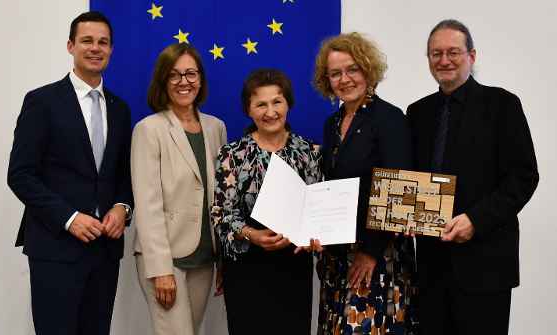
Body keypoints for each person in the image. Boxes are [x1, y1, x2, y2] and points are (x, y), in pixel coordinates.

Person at [406, 19, 539, 335]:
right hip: (431, 265)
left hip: (485, 263)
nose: (444, 60)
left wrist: (476, 220)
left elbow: (523, 177)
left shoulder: (503, 105)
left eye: (453, 52)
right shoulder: (417, 112)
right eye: (435, 54)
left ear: (472, 56)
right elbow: (410, 179)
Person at [7, 11, 133, 335]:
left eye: (103, 42)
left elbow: (122, 173)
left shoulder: (120, 109)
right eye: (87, 41)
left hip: (105, 251)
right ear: (70, 46)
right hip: (55, 247)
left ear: (111, 49)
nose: (95, 48)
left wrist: (123, 207)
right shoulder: (42, 101)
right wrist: (69, 218)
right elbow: (20, 175)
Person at [313, 32, 418, 334]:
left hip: (378, 257)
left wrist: (370, 251)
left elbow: (398, 193)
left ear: (368, 70)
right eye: (335, 73)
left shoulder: (389, 119)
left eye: (352, 69)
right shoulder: (331, 125)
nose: (344, 79)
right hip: (338, 257)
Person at [211, 69, 322, 335]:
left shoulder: (310, 152)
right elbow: (220, 213)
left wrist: (313, 236)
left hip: (293, 265)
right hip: (247, 266)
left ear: (288, 104)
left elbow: (317, 208)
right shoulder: (232, 154)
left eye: (277, 102)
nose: (270, 111)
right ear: (248, 109)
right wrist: (252, 235)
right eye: (261, 104)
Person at [131, 43, 227, 335]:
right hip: (166, 259)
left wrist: (223, 259)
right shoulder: (149, 129)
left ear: (200, 78)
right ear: (163, 80)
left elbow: (222, 199)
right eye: (174, 75)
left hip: (204, 257)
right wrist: (161, 270)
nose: (184, 81)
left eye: (191, 73)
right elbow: (147, 205)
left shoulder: (216, 128)